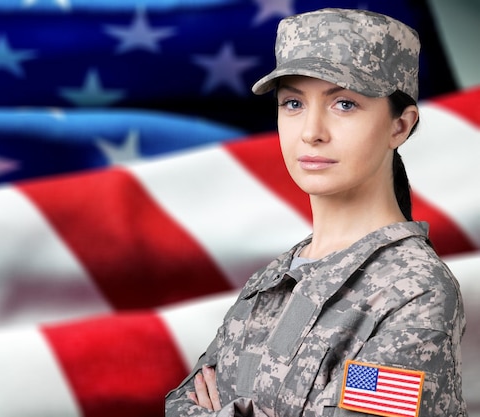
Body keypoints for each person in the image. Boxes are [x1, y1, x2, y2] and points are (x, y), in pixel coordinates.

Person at [165, 8, 467, 417]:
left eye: (344, 103)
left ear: (400, 126)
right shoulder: (271, 281)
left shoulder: (415, 292)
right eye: (293, 103)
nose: (311, 132)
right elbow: (179, 405)